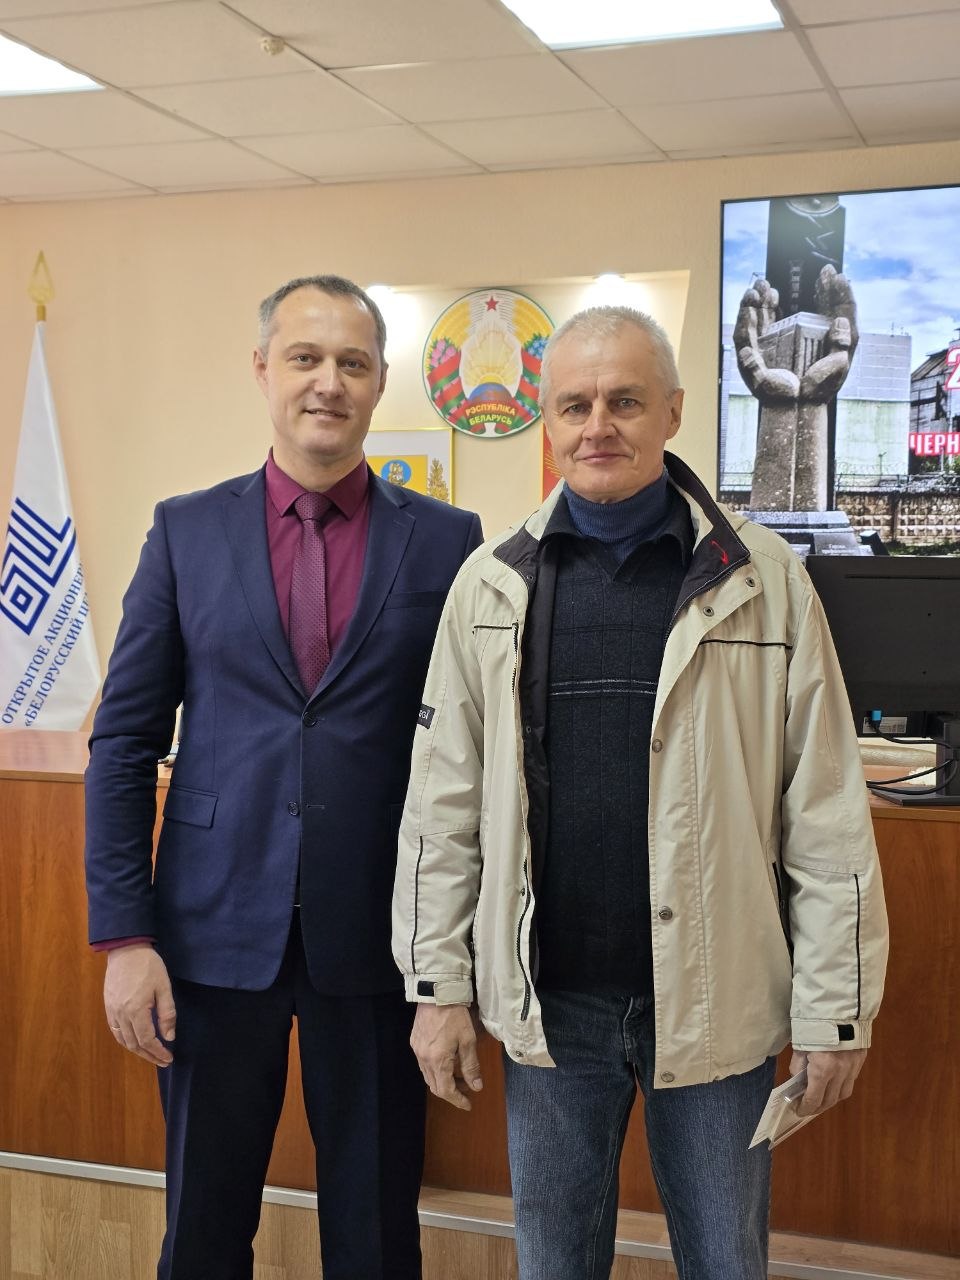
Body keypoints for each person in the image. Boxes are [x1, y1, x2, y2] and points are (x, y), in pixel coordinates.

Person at [392, 305, 887, 1280]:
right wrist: (436, 987)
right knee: (553, 1264)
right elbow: (441, 806)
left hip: (717, 1004)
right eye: (573, 405)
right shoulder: (489, 586)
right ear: (547, 421)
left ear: (673, 411)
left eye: (624, 400)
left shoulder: (765, 580)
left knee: (725, 1261)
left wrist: (837, 1011)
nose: (597, 426)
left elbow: (826, 812)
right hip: (552, 1008)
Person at [85, 274, 483, 1280]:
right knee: (203, 1230)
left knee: (377, 1234)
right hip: (209, 938)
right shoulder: (186, 531)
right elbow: (123, 743)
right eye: (305, 358)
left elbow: (473, 757)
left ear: (380, 381)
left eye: (352, 362)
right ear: (263, 369)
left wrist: (454, 960)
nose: (327, 382)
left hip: (381, 941)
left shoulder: (448, 542)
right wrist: (125, 935)